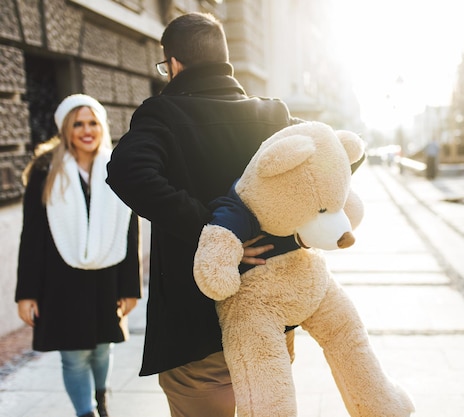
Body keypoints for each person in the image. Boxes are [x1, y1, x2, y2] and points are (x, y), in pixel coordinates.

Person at [105, 12, 304, 417]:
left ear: (174, 64)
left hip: (194, 325)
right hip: (269, 317)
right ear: (224, 58)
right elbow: (341, 155)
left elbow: (127, 170)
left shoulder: (162, 113)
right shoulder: (272, 115)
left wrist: (212, 231)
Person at [15, 94, 142, 417]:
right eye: (78, 124)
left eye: (93, 123)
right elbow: (31, 236)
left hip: (106, 275)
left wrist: (130, 287)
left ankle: (101, 399)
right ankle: (85, 412)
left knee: (101, 351)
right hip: (60, 281)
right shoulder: (46, 173)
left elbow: (129, 230)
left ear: (101, 127)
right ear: (66, 130)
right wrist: (26, 293)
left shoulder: (117, 169)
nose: (87, 130)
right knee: (73, 356)